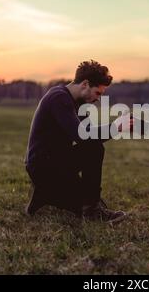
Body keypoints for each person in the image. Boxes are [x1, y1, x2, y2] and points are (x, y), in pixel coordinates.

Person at [24, 60, 132, 223]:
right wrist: (115, 127)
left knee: (84, 198)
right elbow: (82, 136)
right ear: (85, 84)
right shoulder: (59, 97)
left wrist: (118, 124)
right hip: (43, 166)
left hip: (55, 161)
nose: (97, 99)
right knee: (94, 148)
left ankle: (44, 196)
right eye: (98, 93)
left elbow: (90, 132)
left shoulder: (77, 102)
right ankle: (89, 210)